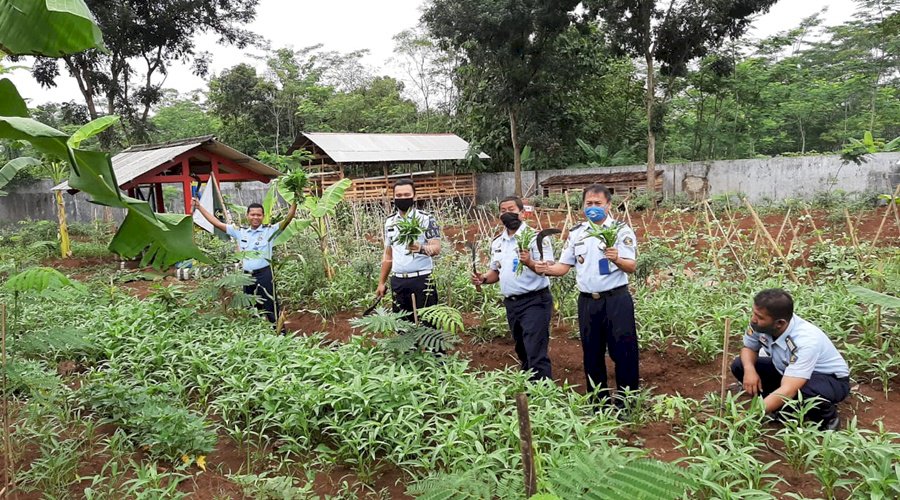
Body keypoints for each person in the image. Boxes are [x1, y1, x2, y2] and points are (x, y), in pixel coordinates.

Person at [536, 184, 638, 406]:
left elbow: (631, 266)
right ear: (582, 206)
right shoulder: (577, 234)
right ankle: (598, 402)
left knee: (624, 351)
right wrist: (541, 267)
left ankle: (626, 403)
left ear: (608, 205)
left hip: (616, 300)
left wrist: (617, 259)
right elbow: (562, 267)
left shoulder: (621, 231)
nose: (593, 208)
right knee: (592, 353)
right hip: (587, 302)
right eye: (588, 204)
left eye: (598, 204)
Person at [731, 288, 850, 430]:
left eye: (760, 317)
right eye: (754, 313)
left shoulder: (805, 340)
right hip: (787, 371)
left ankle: (828, 419)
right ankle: (782, 407)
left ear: (779, 323)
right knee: (740, 365)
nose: (753, 319)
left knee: (802, 391)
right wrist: (750, 370)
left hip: (830, 380)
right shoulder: (760, 326)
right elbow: (749, 348)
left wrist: (750, 416)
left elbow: (788, 389)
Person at [471, 196, 554, 381]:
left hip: (535, 301)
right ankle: (528, 388)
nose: (507, 213)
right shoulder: (498, 242)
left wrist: (529, 262)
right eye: (503, 210)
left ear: (522, 213)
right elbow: (495, 272)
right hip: (512, 304)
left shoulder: (536, 238)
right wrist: (483, 279)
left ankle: (542, 394)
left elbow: (546, 269)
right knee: (522, 348)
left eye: (511, 209)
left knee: (535, 349)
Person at [194, 197, 296, 324]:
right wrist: (199, 207)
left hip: (265, 274)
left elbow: (288, 219)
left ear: (263, 216)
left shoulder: (270, 230)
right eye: (252, 214)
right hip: (247, 276)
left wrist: (295, 200)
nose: (255, 217)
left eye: (259, 215)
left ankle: (280, 333)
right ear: (247, 216)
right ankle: (254, 334)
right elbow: (216, 223)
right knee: (249, 307)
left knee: (271, 305)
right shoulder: (240, 231)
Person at [376, 179, 442, 319]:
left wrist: (421, 248)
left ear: (415, 196)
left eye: (407, 195)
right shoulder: (390, 222)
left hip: (422, 280)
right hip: (398, 282)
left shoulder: (426, 219)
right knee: (402, 325)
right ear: (393, 197)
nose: (403, 198)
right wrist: (381, 282)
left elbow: (436, 248)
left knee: (428, 325)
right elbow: (388, 255)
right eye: (399, 196)